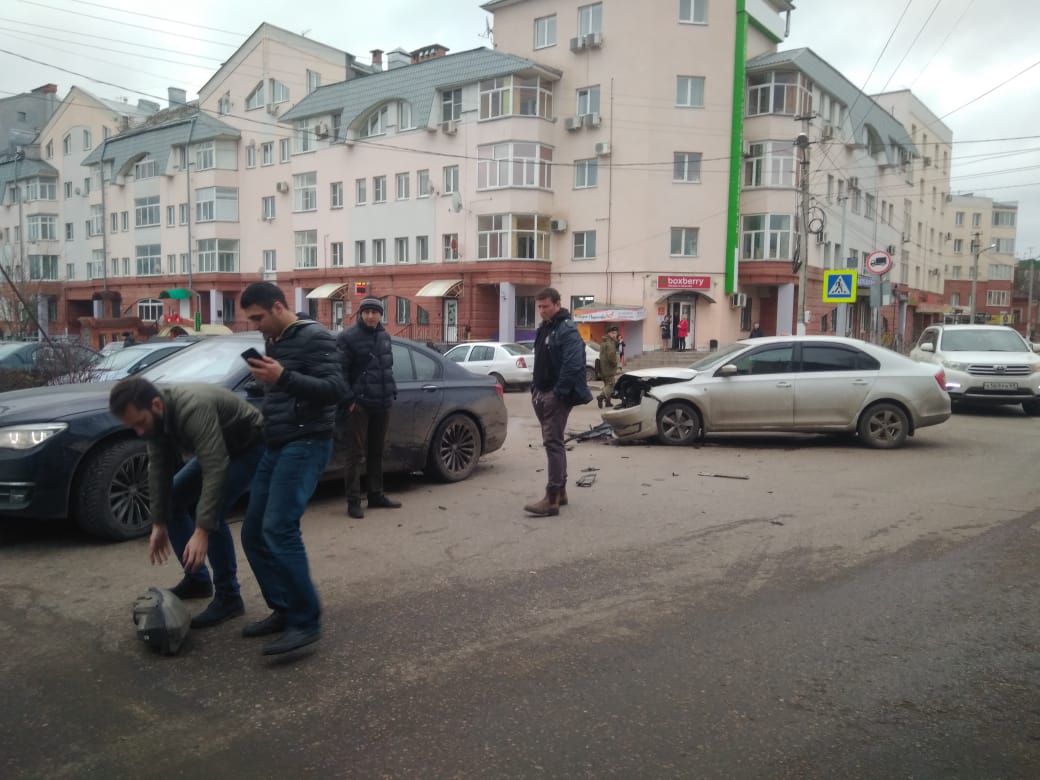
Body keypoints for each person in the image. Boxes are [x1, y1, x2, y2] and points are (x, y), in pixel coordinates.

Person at [238, 281, 346, 656]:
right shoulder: (277, 341)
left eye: (258, 317)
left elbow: (335, 389)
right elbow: (286, 389)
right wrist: (269, 383)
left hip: (307, 442)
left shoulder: (314, 337)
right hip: (277, 443)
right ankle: (283, 608)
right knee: (253, 532)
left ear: (279, 306)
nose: (256, 325)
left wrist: (282, 377)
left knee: (279, 528)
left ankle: (306, 620)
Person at [109, 377, 264, 629]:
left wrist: (202, 530)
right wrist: (158, 522)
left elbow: (215, 467)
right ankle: (197, 580)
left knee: (212, 510)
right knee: (173, 500)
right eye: (133, 427)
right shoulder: (155, 422)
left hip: (248, 446)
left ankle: (229, 597)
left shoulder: (192, 407)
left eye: (140, 423)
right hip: (215, 447)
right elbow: (158, 469)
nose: (139, 432)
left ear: (156, 405)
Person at [524, 288, 592, 517]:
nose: (542, 311)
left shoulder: (567, 329)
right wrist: (535, 388)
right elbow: (541, 362)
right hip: (541, 392)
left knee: (552, 442)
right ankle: (560, 491)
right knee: (555, 442)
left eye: (546, 306)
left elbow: (573, 365)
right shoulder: (544, 328)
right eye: (539, 307)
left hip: (555, 396)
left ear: (557, 304)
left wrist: (557, 393)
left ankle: (552, 498)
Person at [336, 296, 401, 519]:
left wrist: (391, 390)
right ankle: (353, 501)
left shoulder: (384, 336)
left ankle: (375, 495)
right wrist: (349, 400)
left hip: (382, 402)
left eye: (375, 312)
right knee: (355, 454)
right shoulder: (348, 337)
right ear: (360, 314)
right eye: (367, 312)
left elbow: (387, 368)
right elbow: (340, 372)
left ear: (380, 314)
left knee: (377, 452)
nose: (371, 316)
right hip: (360, 405)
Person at [597, 325, 621, 409]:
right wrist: (615, 364)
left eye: (615, 333)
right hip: (608, 367)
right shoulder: (610, 343)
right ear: (608, 333)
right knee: (611, 385)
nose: (615, 335)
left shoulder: (604, 341)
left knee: (607, 384)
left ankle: (608, 402)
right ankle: (601, 397)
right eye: (613, 333)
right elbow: (611, 356)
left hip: (603, 367)